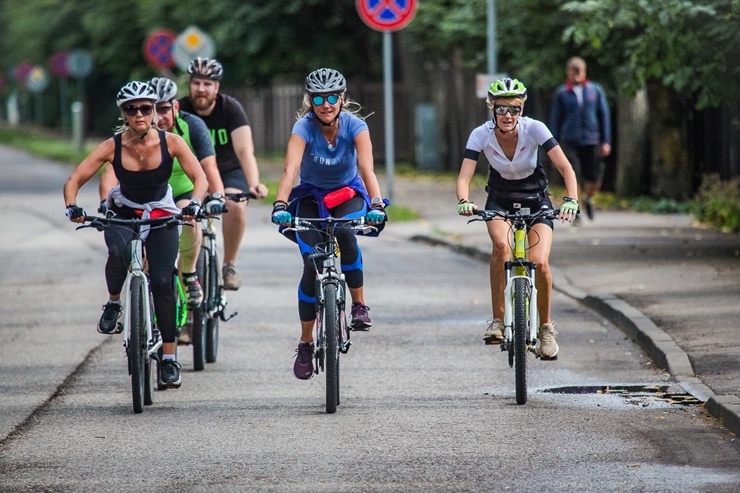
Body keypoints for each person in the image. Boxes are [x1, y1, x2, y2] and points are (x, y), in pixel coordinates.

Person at [63, 81, 208, 388]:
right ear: (123, 113)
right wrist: (72, 206)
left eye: (145, 108)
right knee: (117, 253)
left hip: (160, 213)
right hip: (124, 211)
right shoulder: (112, 146)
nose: (139, 114)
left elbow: (200, 178)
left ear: (155, 111)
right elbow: (75, 179)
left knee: (163, 283)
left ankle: (169, 357)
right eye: (132, 109)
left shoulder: (172, 143)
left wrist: (194, 204)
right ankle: (114, 302)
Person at [271, 68, 387, 380]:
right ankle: (306, 342)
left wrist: (377, 204)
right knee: (312, 262)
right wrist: (280, 205)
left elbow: (367, 168)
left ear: (342, 98)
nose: (326, 104)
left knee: (347, 232)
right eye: (319, 98)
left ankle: (359, 305)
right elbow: (290, 168)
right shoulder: (303, 127)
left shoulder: (356, 126)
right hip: (310, 197)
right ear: (310, 101)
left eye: (332, 97)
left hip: (347, 194)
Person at [455, 77, 579, 360]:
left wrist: (571, 200)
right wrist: (464, 201)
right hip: (499, 200)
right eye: (501, 109)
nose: (508, 116)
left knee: (540, 261)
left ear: (522, 110)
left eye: (515, 109)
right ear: (492, 109)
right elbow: (464, 177)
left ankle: (546, 329)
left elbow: (566, 169)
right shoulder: (481, 134)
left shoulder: (535, 129)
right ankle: (498, 320)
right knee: (501, 247)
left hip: (536, 201)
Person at [99, 77, 227, 319]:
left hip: (182, 192)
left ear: (175, 107)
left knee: (188, 217)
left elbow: (208, 167)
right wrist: (106, 202)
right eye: (150, 110)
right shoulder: (132, 135)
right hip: (147, 198)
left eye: (164, 109)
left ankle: (188, 275)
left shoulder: (191, 128)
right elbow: (110, 175)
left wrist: (217, 196)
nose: (158, 117)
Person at [179, 57, 268, 290]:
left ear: (216, 87)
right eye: (197, 83)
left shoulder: (231, 109)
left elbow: (245, 150)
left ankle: (229, 265)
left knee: (235, 205)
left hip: (228, 171)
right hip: (191, 174)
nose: (201, 89)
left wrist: (254, 183)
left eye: (207, 84)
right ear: (189, 85)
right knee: (183, 212)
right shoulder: (179, 110)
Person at [549, 56, 612, 221]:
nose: (577, 76)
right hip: (569, 141)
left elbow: (603, 115)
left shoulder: (595, 90)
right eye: (573, 72)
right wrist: (553, 144)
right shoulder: (562, 93)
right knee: (572, 173)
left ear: (584, 72)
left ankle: (588, 198)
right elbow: (556, 118)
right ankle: (574, 206)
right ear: (568, 73)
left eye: (579, 72)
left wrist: (606, 140)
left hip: (592, 140)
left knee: (594, 177)